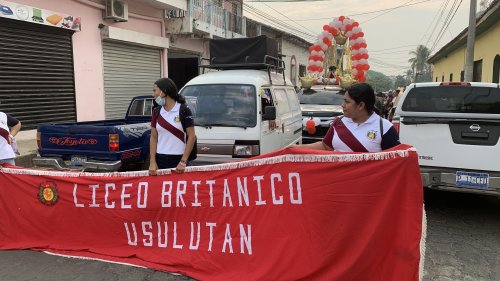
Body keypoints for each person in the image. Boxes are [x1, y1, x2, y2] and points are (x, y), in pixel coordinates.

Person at [294, 83, 400, 152]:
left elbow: (395, 162)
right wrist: (296, 149)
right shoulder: (338, 122)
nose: (342, 105)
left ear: (361, 105)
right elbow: (326, 146)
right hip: (340, 183)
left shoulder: (385, 128)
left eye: (347, 102)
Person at [149, 78, 196, 175]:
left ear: (164, 91)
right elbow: (153, 137)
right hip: (160, 159)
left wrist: (183, 161)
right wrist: (152, 162)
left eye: (154, 90)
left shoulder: (184, 110)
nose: (153, 94)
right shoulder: (156, 111)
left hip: (178, 159)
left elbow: (192, 136)